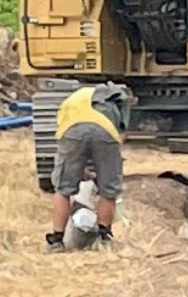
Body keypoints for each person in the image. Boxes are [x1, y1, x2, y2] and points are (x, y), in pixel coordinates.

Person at [46, 83, 131, 249]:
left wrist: (79, 171)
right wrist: (107, 170)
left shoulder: (73, 100)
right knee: (109, 190)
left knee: (63, 189)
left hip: (73, 129)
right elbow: (121, 135)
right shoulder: (118, 100)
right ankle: (104, 237)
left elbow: (68, 138)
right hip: (105, 130)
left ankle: (56, 240)